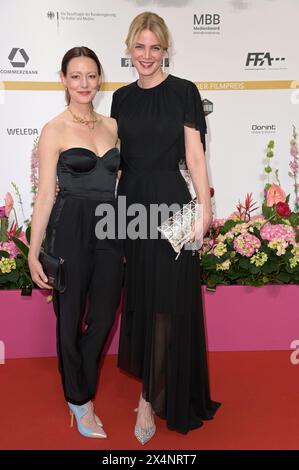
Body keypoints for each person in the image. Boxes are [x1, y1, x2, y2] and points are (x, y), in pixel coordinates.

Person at [111, 12, 220, 443]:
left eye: (155, 47)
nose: (147, 55)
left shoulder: (184, 92)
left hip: (173, 206)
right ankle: (151, 388)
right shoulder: (120, 98)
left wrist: (205, 208)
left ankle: (148, 401)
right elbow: (118, 162)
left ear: (165, 50)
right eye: (140, 47)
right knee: (140, 299)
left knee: (168, 301)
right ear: (129, 49)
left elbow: (194, 157)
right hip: (131, 206)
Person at [28, 46, 123, 439]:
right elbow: (46, 193)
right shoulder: (54, 129)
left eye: (91, 75)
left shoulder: (113, 125)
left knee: (103, 316)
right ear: (63, 80)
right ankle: (80, 400)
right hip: (68, 227)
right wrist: (34, 251)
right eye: (75, 76)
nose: (84, 83)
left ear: (100, 79)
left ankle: (80, 380)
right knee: (69, 318)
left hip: (110, 227)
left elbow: (123, 183)